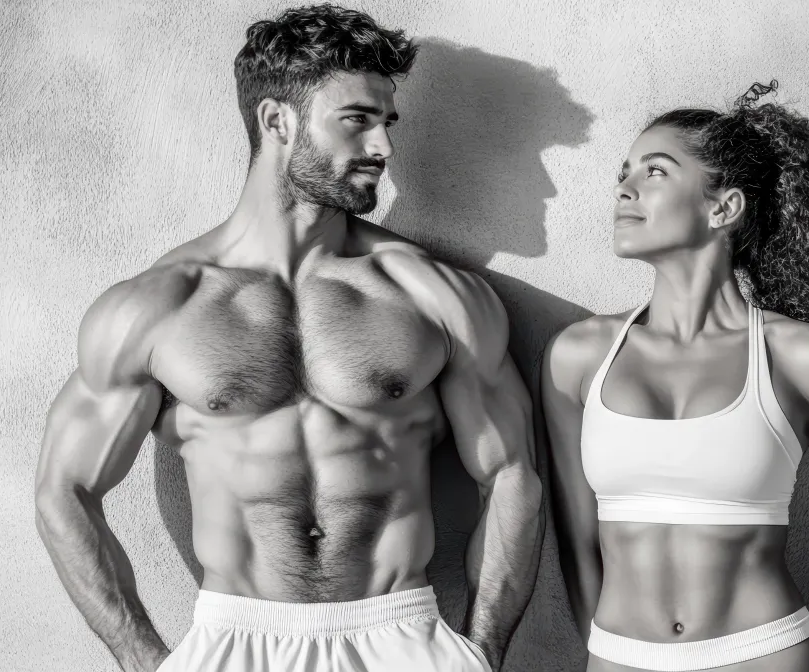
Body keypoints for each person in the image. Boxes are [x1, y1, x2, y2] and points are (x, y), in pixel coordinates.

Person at [34, 5, 542, 671]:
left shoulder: (431, 294)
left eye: (387, 123)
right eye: (357, 120)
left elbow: (511, 474)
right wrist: (145, 661)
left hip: (402, 634)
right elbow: (65, 491)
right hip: (237, 639)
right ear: (277, 120)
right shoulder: (160, 306)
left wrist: (480, 654)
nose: (384, 149)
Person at [543, 82, 809, 672]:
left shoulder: (803, 357)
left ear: (724, 208)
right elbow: (578, 545)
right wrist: (606, 653)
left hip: (765, 655)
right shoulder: (578, 356)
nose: (624, 188)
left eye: (654, 171)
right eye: (623, 173)